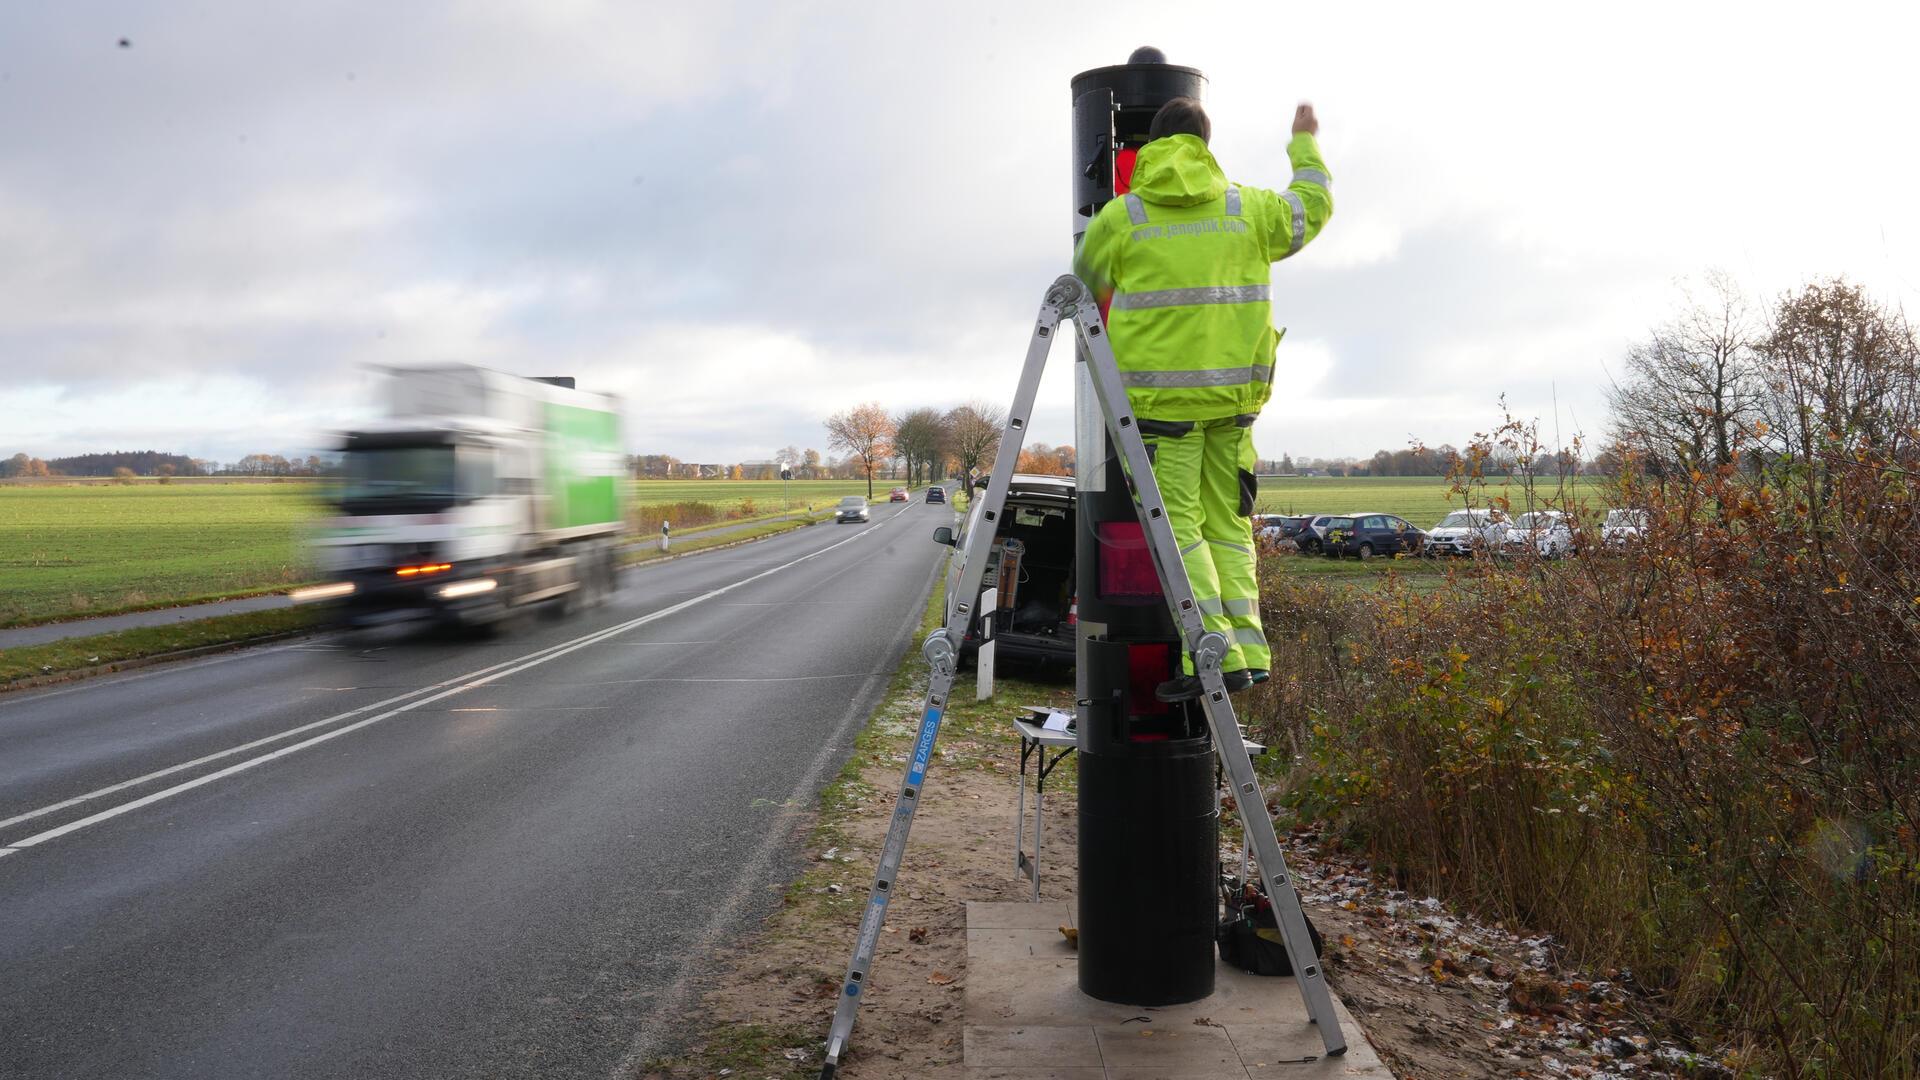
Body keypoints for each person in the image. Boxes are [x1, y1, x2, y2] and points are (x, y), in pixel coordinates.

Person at [1072, 96, 1333, 700]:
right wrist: (1304, 141)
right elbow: (1313, 206)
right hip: (1235, 407)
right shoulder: (1249, 209)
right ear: (1205, 145)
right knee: (1228, 526)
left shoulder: (1122, 218)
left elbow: (1082, 290)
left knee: (1181, 529)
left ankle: (1211, 659)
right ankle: (1248, 652)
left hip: (1163, 414)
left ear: (1152, 148)